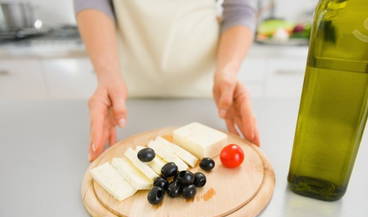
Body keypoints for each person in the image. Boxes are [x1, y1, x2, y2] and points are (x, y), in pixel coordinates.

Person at [74, 0, 260, 161]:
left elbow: (239, 9)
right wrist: (107, 74)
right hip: (125, 98)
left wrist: (227, 71)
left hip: (207, 97)